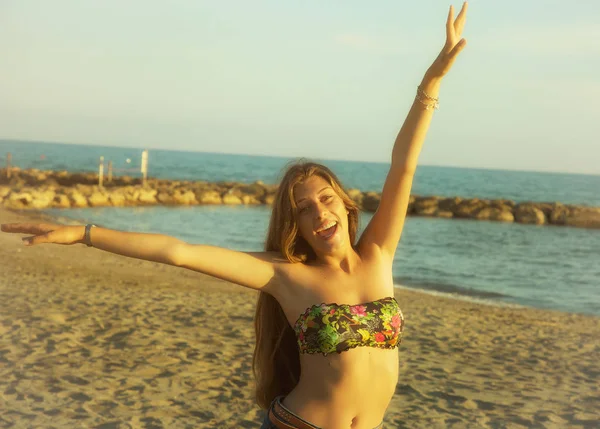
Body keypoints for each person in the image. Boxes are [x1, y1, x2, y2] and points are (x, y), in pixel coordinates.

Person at [1, 3, 468, 428]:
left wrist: (432, 83)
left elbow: (404, 164)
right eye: (302, 209)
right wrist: (82, 233)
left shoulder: (379, 255)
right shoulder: (284, 275)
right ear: (295, 226)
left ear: (346, 204)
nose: (318, 213)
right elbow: (180, 251)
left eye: (325, 199)